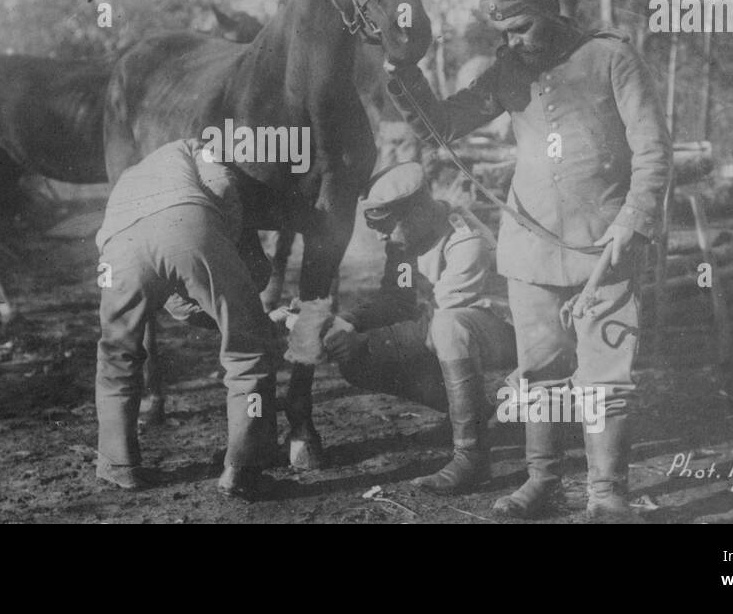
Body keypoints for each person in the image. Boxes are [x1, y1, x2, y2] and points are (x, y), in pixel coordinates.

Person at [384, 0, 672, 519]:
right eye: (505, 34)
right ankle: (544, 483)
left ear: (548, 12)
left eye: (522, 28)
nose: (514, 42)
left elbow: (654, 150)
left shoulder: (611, 57)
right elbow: (440, 125)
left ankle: (607, 495)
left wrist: (631, 223)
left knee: (603, 376)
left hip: (603, 247)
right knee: (538, 370)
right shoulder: (507, 71)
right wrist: (402, 69)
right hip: (531, 248)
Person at [94, 138, 281, 499]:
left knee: (116, 355)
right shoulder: (197, 146)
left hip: (117, 249)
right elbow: (223, 185)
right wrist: (228, 249)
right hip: (188, 224)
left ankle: (117, 463)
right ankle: (244, 466)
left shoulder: (130, 175)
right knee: (248, 349)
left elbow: (177, 304)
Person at [315, 162, 516, 494]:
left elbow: (437, 328)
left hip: (508, 332)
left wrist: (367, 340)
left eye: (388, 226)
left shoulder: (466, 242)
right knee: (358, 359)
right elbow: (397, 299)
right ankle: (472, 414)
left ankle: (472, 457)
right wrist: (347, 323)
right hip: (452, 332)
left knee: (448, 327)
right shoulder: (409, 240)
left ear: (417, 213)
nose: (381, 235)